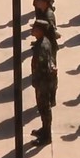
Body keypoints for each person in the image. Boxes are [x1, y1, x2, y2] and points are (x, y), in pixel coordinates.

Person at [30, 19, 57, 147]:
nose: (32, 30)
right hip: (41, 81)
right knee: (42, 108)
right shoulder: (42, 42)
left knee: (44, 108)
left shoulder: (42, 46)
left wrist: (39, 81)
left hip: (43, 82)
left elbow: (44, 66)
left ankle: (47, 135)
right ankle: (44, 129)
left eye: (35, 28)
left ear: (40, 30)